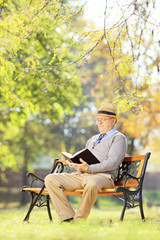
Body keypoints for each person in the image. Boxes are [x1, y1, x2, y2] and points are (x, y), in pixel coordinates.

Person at [44, 103, 127, 222]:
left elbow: (112, 163)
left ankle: (79, 220)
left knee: (92, 183)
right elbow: (86, 160)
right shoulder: (92, 139)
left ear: (113, 121)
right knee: (50, 179)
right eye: (98, 120)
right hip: (82, 175)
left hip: (103, 177)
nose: (99, 122)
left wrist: (88, 168)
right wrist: (76, 164)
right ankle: (67, 217)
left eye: (103, 119)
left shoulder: (118, 138)